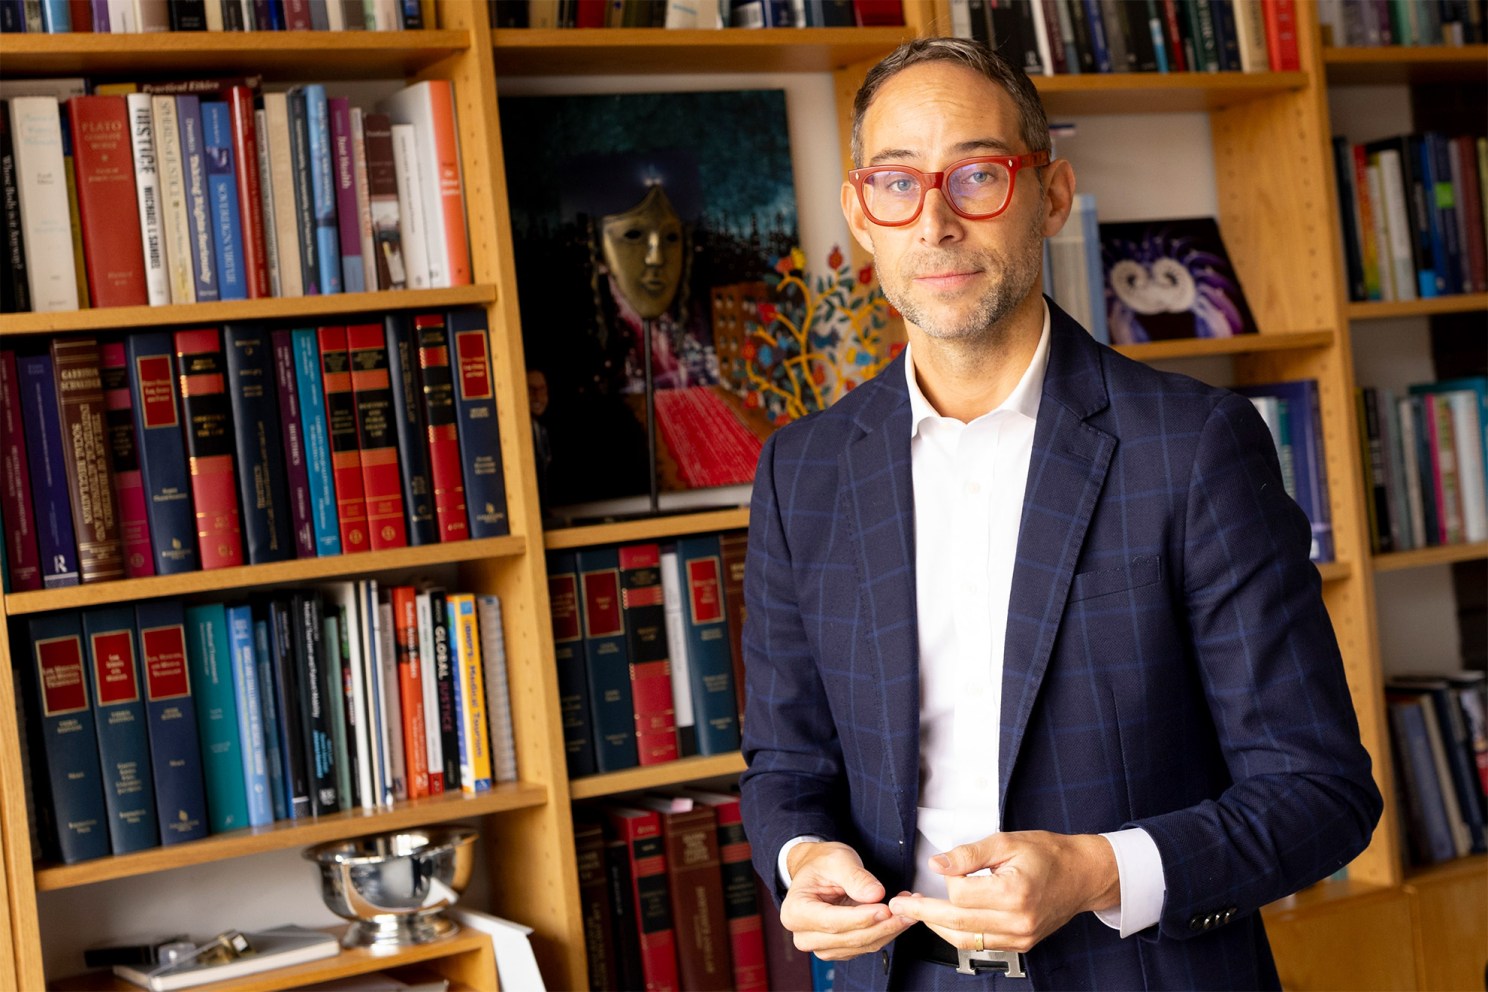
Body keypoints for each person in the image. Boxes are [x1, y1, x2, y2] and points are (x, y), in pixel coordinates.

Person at [737, 37, 1382, 991]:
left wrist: (1098, 872)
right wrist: (801, 858)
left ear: (1051, 194)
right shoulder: (803, 470)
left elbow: (1320, 793)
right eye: (898, 183)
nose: (935, 221)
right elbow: (785, 763)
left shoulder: (1195, 446)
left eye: (977, 176)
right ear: (862, 215)